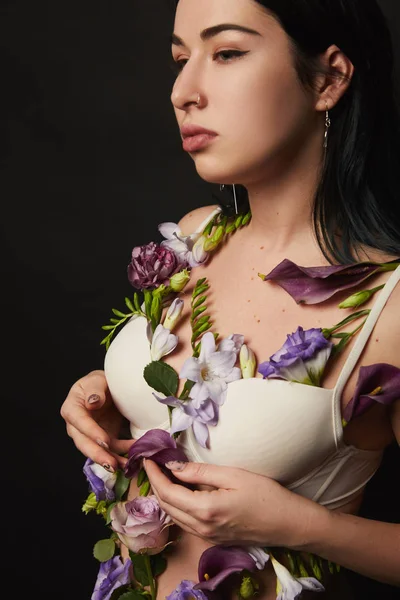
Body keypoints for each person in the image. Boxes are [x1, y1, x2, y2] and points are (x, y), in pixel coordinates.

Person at [61, 0, 400, 598]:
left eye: (227, 53)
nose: (183, 91)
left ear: (329, 78)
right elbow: (176, 407)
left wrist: (302, 525)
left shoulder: (388, 307)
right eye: (180, 58)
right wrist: (102, 395)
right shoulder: (195, 238)